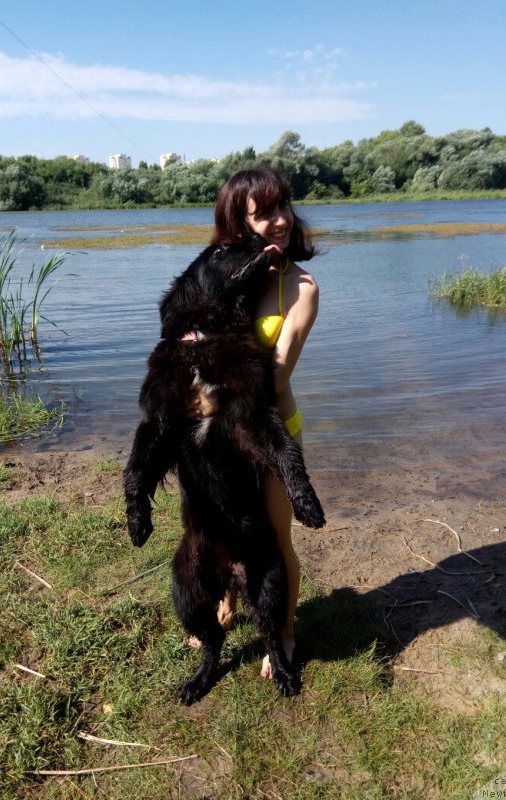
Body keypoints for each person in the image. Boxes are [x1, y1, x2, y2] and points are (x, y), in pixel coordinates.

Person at [189, 166, 320, 679]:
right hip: (218, 429)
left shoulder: (301, 288)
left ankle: (284, 633)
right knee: (221, 528)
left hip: (271, 428)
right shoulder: (217, 274)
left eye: (283, 207)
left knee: (275, 537)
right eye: (264, 213)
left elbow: (276, 376)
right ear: (237, 222)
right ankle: (226, 600)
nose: (281, 220)